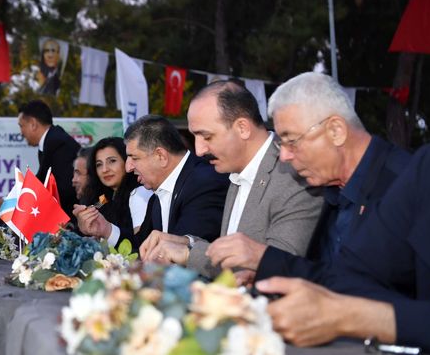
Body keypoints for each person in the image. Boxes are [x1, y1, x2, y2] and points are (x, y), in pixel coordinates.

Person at [206, 72, 410, 284]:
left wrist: (265, 258)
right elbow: (331, 275)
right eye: (280, 144)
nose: (284, 156)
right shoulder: (331, 189)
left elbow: (379, 292)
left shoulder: (404, 186)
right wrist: (274, 274)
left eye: (291, 141)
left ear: (336, 131)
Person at [257, 140, 430, 353]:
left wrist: (356, 317)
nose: (284, 156)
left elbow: (348, 308)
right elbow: (354, 274)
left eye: (292, 140)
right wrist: (267, 263)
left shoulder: (395, 171)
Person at [140, 80, 323, 282]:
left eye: (207, 137)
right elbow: (234, 254)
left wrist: (189, 255)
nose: (199, 150)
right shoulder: (236, 171)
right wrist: (186, 244)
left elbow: (276, 269)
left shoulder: (293, 175)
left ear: (242, 128)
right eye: (195, 137)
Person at [76, 115, 228, 250]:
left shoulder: (204, 184)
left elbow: (187, 253)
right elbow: (142, 248)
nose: (128, 167)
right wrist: (105, 229)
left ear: (161, 156)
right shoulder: (157, 193)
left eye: (134, 158)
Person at [73, 137, 151, 240]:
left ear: (127, 162)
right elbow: (97, 206)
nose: (105, 169)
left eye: (112, 161)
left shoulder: (140, 194)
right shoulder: (103, 197)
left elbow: (141, 243)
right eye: (99, 164)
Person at [18, 100, 80, 219]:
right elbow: (39, 183)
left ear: (33, 124)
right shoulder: (50, 142)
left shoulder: (58, 144)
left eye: (21, 126)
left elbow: (64, 190)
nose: (21, 133)